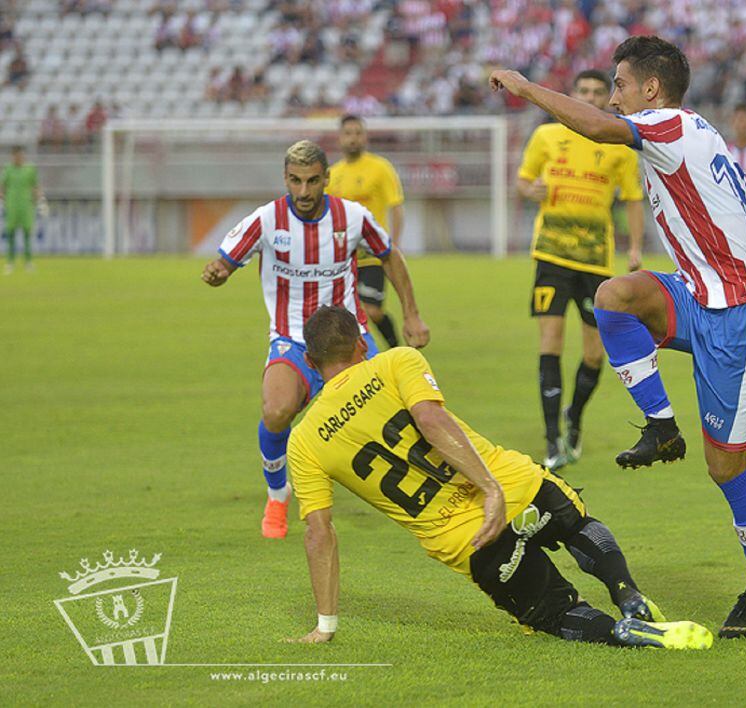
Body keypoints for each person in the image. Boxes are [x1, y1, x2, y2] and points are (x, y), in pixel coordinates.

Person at [489, 35, 746, 639]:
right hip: (699, 296)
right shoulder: (701, 135)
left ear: (650, 89)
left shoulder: (665, 126)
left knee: (726, 469)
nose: (615, 97)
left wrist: (526, 88)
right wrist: (730, 269)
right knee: (615, 296)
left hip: (740, 320)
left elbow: (600, 129)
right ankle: (660, 425)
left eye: (621, 85)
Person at [284, 305, 712, 650]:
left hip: (465, 539)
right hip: (510, 483)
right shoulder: (396, 360)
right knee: (577, 526)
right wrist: (490, 488)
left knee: (556, 613)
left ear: (309, 361)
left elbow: (318, 534)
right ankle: (627, 594)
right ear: (362, 343)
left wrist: (325, 624)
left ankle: (629, 634)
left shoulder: (304, 441)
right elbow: (429, 419)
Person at [201, 140, 430, 539]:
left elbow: (390, 255)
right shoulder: (266, 219)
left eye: (311, 181)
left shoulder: (353, 217)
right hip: (292, 339)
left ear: (327, 178)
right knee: (276, 410)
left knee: (399, 415)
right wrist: (218, 271)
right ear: (285, 179)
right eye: (295, 181)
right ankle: (277, 495)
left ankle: (426, 492)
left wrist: (411, 313)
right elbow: (225, 259)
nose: (303, 192)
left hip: (348, 338)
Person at [517, 69, 646, 470]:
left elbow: (632, 199)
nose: (589, 98)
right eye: (583, 90)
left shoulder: (618, 145)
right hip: (552, 256)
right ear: (571, 95)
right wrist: (529, 189)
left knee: (595, 353)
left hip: (595, 261)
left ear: (605, 97)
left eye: (596, 92)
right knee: (550, 343)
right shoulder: (546, 137)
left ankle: (574, 418)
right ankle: (553, 438)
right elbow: (523, 180)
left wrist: (637, 248)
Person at [327, 115, 405, 349]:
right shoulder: (332, 174)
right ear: (340, 138)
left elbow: (396, 207)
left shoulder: (380, 168)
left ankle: (396, 349)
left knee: (372, 310)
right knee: (339, 314)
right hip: (342, 257)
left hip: (372, 255)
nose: (353, 139)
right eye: (348, 133)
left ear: (365, 137)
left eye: (358, 133)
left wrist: (393, 247)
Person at [2, 146, 44, 274]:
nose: (19, 158)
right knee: (11, 234)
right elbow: (2, 187)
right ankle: (9, 263)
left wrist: (40, 201)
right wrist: (4, 201)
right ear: (13, 157)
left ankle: (28, 262)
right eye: (16, 156)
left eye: (20, 156)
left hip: (26, 206)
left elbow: (36, 186)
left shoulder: (30, 169)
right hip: (12, 206)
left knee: (27, 234)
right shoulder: (8, 169)